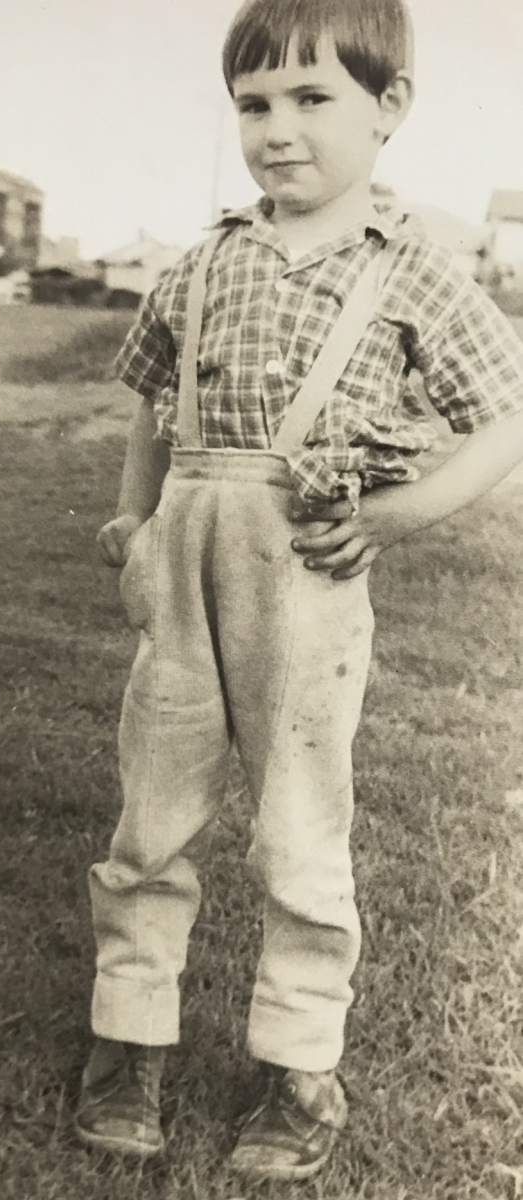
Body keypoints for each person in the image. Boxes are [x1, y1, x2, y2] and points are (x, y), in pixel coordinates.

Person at [75, 0, 523, 1182]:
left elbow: (498, 424)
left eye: (310, 99)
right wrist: (133, 518)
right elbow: (149, 400)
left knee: (298, 822)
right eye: (252, 104)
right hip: (184, 554)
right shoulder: (205, 258)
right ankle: (127, 1045)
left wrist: (384, 516)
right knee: (150, 813)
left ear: (389, 111)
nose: (277, 131)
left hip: (304, 579)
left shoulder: (411, 268)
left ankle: (297, 1068)